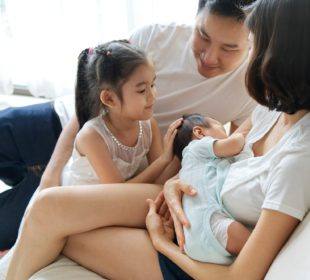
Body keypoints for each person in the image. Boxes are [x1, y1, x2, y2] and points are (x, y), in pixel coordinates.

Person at [4, 0, 310, 278]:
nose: (248, 57)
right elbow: (225, 154)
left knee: (52, 224)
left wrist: (162, 242)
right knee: (48, 206)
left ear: (281, 59)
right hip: (187, 199)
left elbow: (242, 275)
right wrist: (175, 184)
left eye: (252, 46)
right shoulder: (278, 106)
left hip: (199, 247)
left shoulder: (306, 154)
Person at [0, 0, 257, 250]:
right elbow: (93, 94)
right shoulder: (155, 37)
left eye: (229, 48)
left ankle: (27, 182)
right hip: (71, 125)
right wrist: (50, 177)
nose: (210, 56)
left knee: (12, 224)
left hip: (112, 171)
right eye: (203, 35)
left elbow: (228, 160)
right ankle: (31, 174)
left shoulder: (249, 90)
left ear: (252, 42)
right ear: (197, 17)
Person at [61, 40, 180, 186]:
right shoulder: (91, 137)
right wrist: (163, 160)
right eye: (142, 90)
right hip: (80, 200)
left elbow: (159, 180)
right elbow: (117, 191)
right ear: (109, 98)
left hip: (117, 198)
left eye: (152, 85)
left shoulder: (149, 126)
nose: (153, 95)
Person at [173, 113, 251, 264]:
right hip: (209, 224)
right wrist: (241, 136)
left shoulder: (188, 169)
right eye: (221, 127)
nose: (225, 133)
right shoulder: (195, 147)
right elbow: (233, 144)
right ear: (199, 132)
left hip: (192, 242)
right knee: (256, 247)